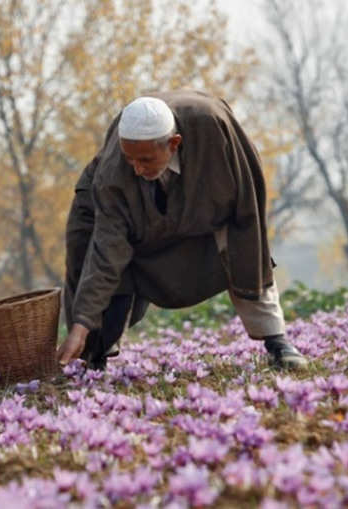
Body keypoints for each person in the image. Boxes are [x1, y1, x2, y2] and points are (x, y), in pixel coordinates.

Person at [56, 89, 307, 371]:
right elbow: (106, 251)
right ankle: (94, 355)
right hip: (130, 215)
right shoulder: (115, 174)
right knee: (103, 261)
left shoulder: (214, 132)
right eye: (131, 159)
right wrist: (81, 324)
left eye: (146, 160)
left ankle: (278, 342)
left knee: (243, 248)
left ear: (173, 143)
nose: (137, 170)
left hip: (205, 192)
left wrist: (250, 249)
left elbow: (246, 216)